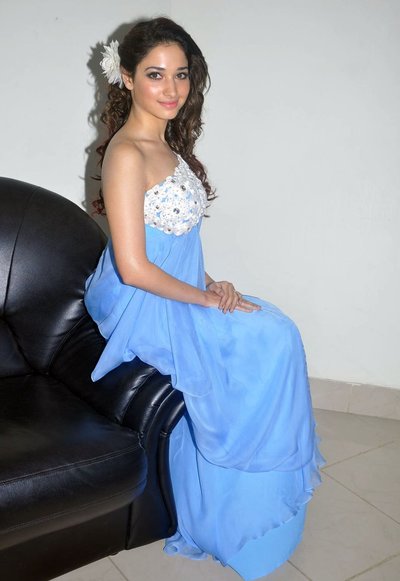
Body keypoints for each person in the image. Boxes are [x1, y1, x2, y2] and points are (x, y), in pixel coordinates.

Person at [85, 17, 325, 580]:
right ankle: (236, 514)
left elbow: (176, 244)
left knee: (273, 330)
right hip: (136, 302)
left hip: (173, 287)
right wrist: (204, 301)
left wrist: (211, 284)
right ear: (126, 78)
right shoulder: (126, 154)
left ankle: (258, 498)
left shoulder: (166, 144)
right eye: (155, 74)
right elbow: (134, 267)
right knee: (270, 340)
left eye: (181, 74)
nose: (171, 88)